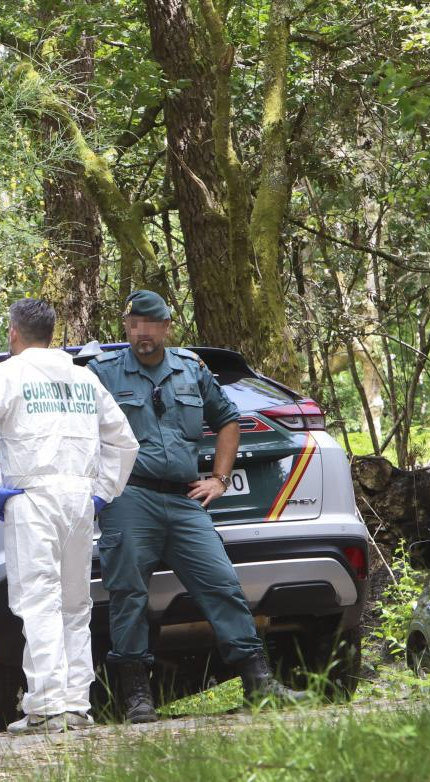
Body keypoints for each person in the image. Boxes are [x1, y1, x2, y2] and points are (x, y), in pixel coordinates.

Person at [88, 290, 309, 722]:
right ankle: (137, 696)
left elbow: (227, 420)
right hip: (129, 496)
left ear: (167, 327)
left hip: (185, 498)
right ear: (127, 327)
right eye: (134, 325)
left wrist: (220, 480)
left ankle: (259, 683)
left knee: (221, 583)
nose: (142, 333)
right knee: (128, 595)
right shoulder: (103, 374)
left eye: (150, 325)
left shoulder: (191, 371)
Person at [0, 299, 140, 733]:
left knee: (38, 599)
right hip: (79, 498)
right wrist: (103, 492)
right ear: (52, 333)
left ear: (14, 333)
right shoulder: (84, 379)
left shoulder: (8, 374)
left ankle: (47, 705)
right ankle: (77, 704)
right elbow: (125, 441)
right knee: (75, 603)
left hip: (32, 495)